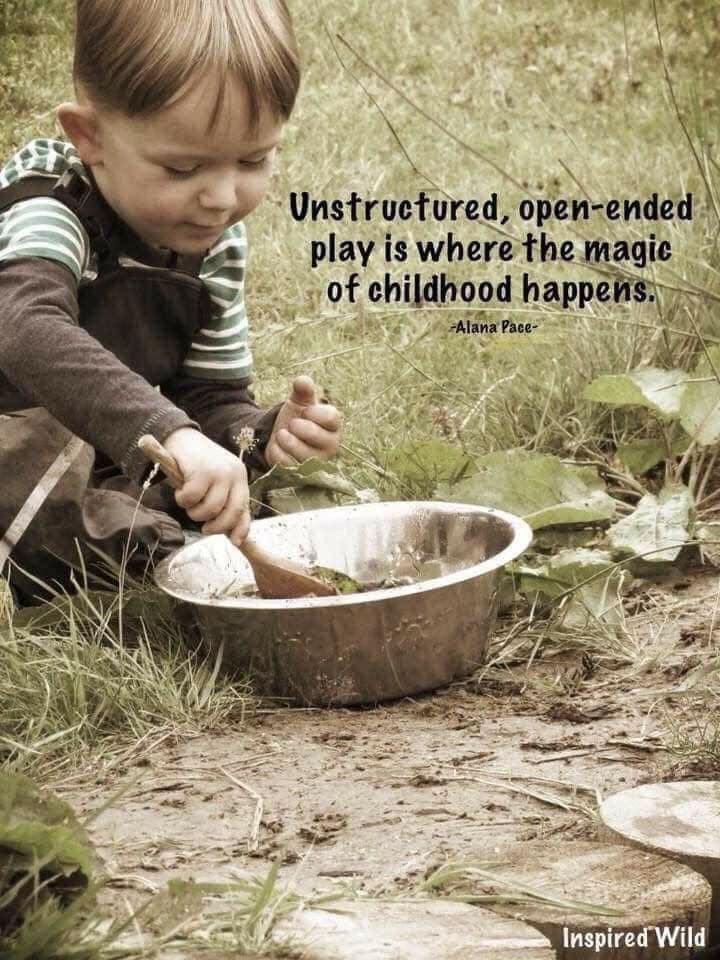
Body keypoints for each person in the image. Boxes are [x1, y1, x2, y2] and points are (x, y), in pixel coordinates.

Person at [0, 0, 342, 601]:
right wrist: (169, 433)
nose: (221, 196)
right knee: (63, 496)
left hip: (94, 460)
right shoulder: (50, 209)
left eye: (253, 159)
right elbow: (25, 329)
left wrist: (259, 436)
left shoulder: (213, 243)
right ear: (90, 137)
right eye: (183, 168)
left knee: (211, 498)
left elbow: (209, 397)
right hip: (13, 445)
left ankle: (148, 548)